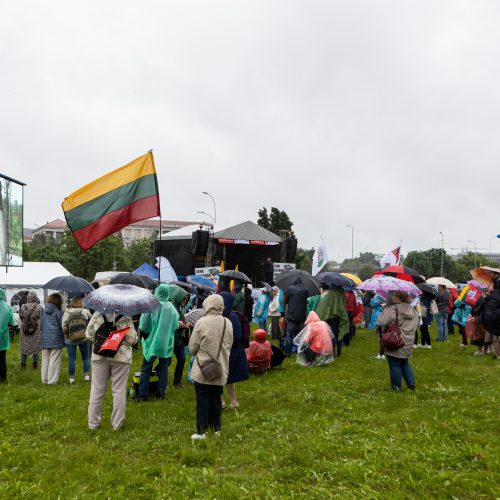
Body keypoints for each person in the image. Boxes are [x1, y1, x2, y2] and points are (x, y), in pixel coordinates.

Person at [189, 294, 233, 440]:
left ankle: (201, 431)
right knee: (216, 398)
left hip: (203, 368)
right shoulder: (228, 323)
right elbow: (230, 344)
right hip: (221, 367)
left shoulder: (201, 322)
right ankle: (216, 428)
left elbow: (192, 348)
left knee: (202, 400)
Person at [86, 312, 137, 430]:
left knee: (97, 389)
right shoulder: (125, 317)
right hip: (121, 357)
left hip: (100, 356)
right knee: (118, 390)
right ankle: (117, 424)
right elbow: (132, 339)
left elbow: (88, 334)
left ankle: (93, 424)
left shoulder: (97, 315)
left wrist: (101, 341)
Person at [136, 284, 179, 400]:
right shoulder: (171, 307)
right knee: (164, 368)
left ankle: (142, 395)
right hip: (166, 342)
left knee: (146, 368)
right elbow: (176, 324)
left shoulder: (152, 305)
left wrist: (148, 333)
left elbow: (144, 325)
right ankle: (160, 393)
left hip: (153, 340)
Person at [378, 291, 419, 392]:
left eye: (395, 295)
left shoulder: (393, 308)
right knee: (404, 362)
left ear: (401, 297)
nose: (392, 297)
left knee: (394, 364)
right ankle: (411, 383)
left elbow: (382, 322)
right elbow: (416, 325)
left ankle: (396, 388)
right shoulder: (412, 309)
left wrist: (385, 310)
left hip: (395, 339)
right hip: (408, 340)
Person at [220, 292, 249, 408]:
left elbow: (237, 335)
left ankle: (231, 400)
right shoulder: (224, 315)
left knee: (226, 377)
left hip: (230, 350)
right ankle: (225, 400)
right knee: (224, 376)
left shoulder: (232, 316)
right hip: (227, 350)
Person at [62, 297, 92, 383]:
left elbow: (63, 326)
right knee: (85, 357)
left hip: (70, 339)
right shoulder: (85, 311)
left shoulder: (67, 312)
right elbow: (91, 320)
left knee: (72, 358)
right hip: (83, 338)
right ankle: (86, 377)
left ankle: (71, 379)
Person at [167, 285, 190, 388]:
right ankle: (154, 376)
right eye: (183, 298)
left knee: (182, 359)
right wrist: (181, 324)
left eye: (186, 299)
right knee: (166, 362)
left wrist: (185, 323)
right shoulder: (171, 307)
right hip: (171, 338)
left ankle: (177, 382)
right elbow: (168, 322)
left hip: (179, 340)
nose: (185, 300)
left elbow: (180, 321)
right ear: (179, 297)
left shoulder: (180, 308)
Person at [316, 286, 349, 357]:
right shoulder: (342, 292)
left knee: (332, 333)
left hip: (331, 316)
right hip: (341, 315)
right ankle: (339, 351)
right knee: (340, 331)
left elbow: (326, 304)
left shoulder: (330, 293)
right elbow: (344, 302)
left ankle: (333, 352)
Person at [40, 293, 65, 385]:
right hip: (56, 339)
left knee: (45, 359)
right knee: (54, 360)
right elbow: (63, 326)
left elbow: (40, 325)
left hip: (44, 338)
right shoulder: (59, 312)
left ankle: (44, 380)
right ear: (59, 301)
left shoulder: (42, 311)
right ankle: (52, 381)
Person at [472, 278, 500, 359]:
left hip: (492, 318)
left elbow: (482, 305)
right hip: (496, 317)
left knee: (495, 338)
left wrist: (475, 313)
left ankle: (498, 355)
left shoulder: (491, 294)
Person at [283, 277, 309, 356]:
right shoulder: (306, 290)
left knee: (289, 335)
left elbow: (285, 300)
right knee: (302, 335)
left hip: (291, 316)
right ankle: (302, 352)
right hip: (302, 316)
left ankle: (287, 353)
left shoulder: (291, 289)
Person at [19, 291, 43, 370]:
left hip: (25, 328)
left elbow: (21, 316)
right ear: (36, 297)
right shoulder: (39, 307)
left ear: (28, 297)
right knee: (35, 347)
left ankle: (23, 364)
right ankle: (34, 366)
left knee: (24, 346)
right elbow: (42, 318)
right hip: (36, 328)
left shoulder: (23, 306)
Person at [0, 288, 14, 383]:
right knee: (2, 358)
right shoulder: (8, 307)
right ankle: (4, 379)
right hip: (3, 337)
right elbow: (11, 323)